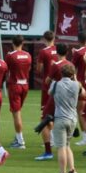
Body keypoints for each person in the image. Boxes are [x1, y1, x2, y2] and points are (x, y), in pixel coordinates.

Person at [49, 62, 82, 173]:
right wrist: (76, 79)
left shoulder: (56, 84)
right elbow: (82, 93)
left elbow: (49, 93)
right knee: (67, 145)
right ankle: (72, 169)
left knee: (61, 147)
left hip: (60, 118)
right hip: (72, 118)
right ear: (73, 74)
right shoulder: (77, 85)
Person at [4, 35, 32, 150]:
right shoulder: (28, 55)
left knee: (16, 113)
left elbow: (6, 70)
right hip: (25, 84)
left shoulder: (10, 55)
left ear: (12, 43)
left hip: (15, 85)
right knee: (18, 111)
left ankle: (20, 141)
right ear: (23, 43)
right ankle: (17, 137)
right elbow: (29, 69)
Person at [33, 30, 57, 161]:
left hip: (48, 87)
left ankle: (49, 146)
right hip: (59, 87)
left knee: (45, 115)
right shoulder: (58, 50)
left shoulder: (43, 52)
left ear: (44, 39)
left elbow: (39, 69)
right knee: (54, 114)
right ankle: (52, 138)